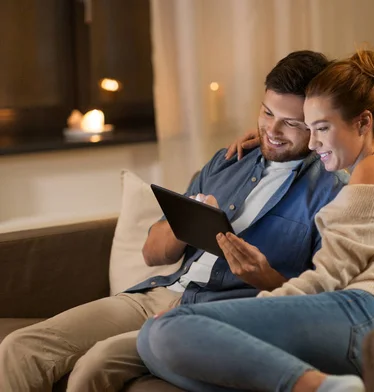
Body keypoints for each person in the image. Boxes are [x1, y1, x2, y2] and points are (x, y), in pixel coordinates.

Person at [0, 50, 348, 392]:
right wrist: (189, 221)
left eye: (291, 123)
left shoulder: (332, 193)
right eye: (267, 112)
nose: (272, 130)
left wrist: (265, 277)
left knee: (94, 366)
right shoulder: (230, 160)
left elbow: (320, 303)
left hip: (221, 314)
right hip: (162, 292)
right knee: (20, 347)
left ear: (318, 122)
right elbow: (153, 254)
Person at [136, 49, 374, 392]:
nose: (313, 142)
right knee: (153, 346)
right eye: (307, 128)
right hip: (353, 317)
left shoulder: (373, 169)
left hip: (362, 314)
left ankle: (324, 389)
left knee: (165, 330)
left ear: (364, 123)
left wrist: (242, 313)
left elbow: (329, 278)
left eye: (321, 128)